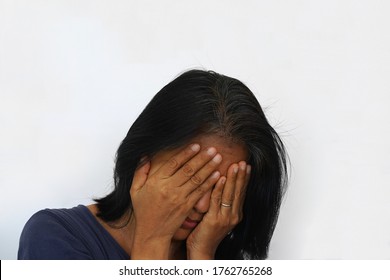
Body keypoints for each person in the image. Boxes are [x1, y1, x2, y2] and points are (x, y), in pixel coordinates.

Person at [18, 69, 288, 260]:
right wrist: (153, 241)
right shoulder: (54, 236)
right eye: (192, 176)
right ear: (142, 160)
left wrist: (203, 256)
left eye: (220, 189)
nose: (203, 205)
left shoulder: (225, 262)